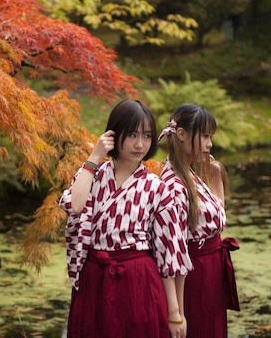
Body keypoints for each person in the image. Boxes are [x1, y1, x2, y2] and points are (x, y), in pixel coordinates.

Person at [59, 98, 192, 338]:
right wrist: (93, 157)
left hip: (138, 280)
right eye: (132, 135)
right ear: (113, 134)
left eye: (147, 136)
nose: (140, 144)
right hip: (94, 279)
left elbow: (169, 254)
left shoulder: (157, 188)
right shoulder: (92, 174)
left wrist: (175, 313)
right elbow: (74, 205)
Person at [158, 103, 240, 338]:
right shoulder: (173, 186)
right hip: (196, 276)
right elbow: (173, 255)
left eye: (210, 137)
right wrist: (177, 313)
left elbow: (215, 219)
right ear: (182, 135)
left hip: (210, 270)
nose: (210, 143)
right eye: (205, 136)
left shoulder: (190, 173)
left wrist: (214, 173)